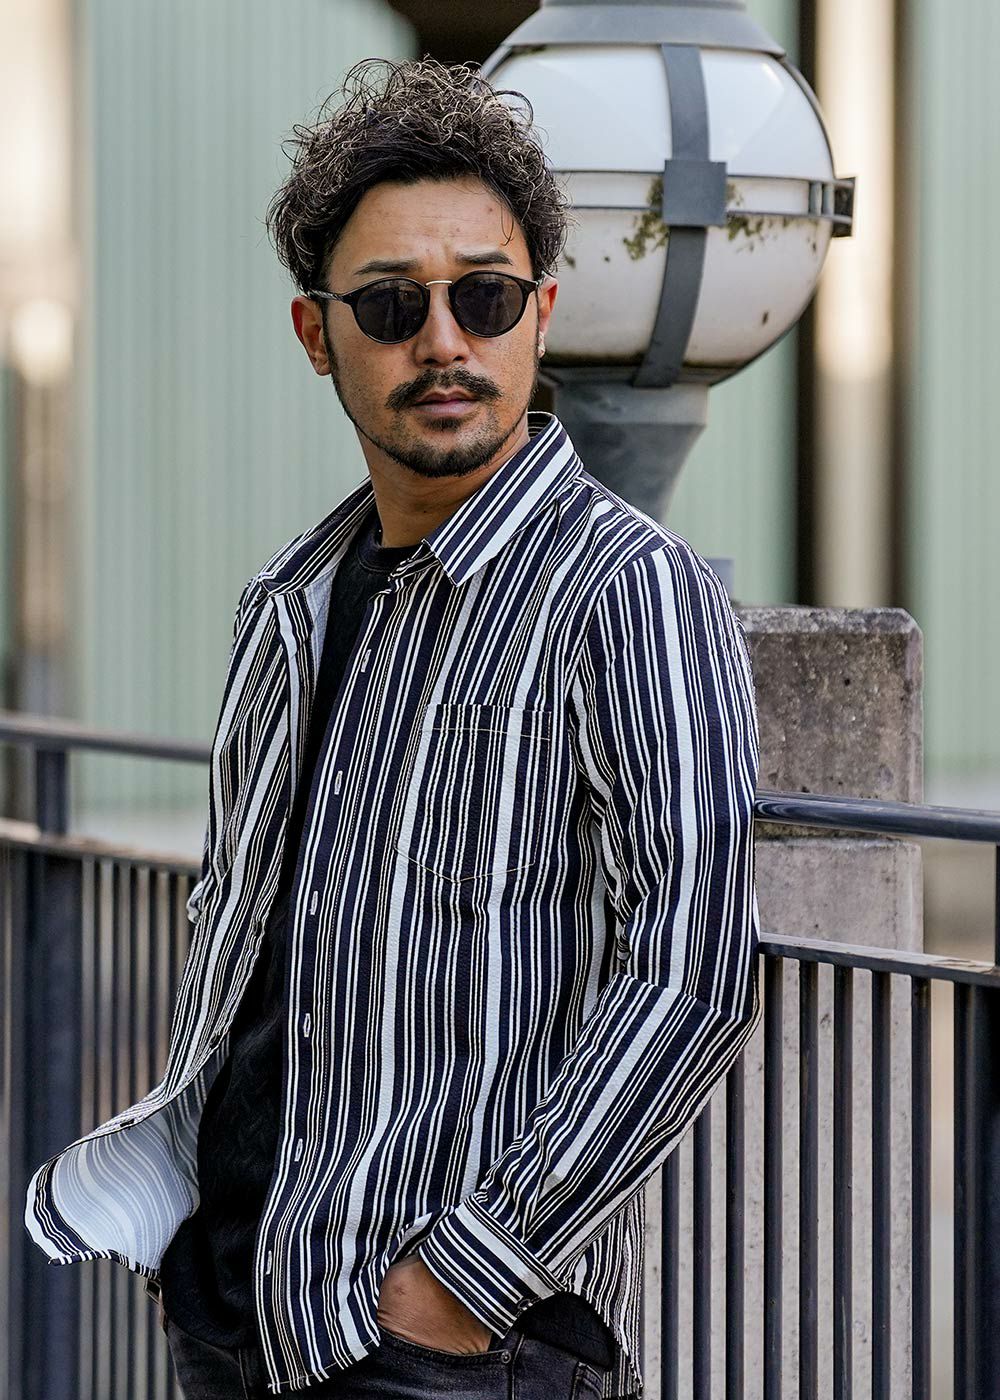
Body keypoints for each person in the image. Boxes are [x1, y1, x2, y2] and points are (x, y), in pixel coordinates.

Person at [25, 57, 762, 1400]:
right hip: (235, 1304)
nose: (443, 342)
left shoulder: (624, 588)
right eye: (388, 304)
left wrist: (463, 1280)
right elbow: (237, 917)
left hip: (437, 1345)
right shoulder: (292, 599)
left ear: (540, 315)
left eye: (484, 297)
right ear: (318, 336)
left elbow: (691, 976)